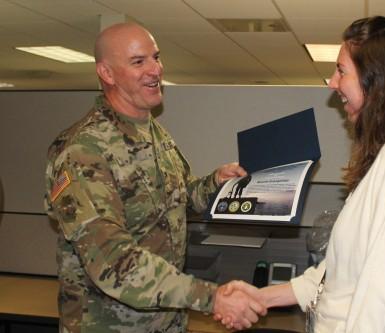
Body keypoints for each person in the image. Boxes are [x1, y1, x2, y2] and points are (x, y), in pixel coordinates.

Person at [216, 16, 385, 333]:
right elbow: (339, 274)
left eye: (341, 70)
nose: (333, 83)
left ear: (377, 79)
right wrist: (262, 296)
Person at [44, 22, 265, 333]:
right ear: (107, 74)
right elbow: (111, 260)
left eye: (156, 57)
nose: (155, 70)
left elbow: (178, 203)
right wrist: (211, 298)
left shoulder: (155, 133)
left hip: (164, 321)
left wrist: (216, 182)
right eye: (138, 62)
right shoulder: (83, 150)